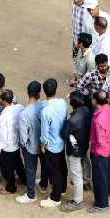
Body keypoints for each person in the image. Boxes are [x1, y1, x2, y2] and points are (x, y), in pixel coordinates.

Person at [61, 91, 92, 212]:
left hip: (74, 150)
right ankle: (87, 181)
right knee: (85, 163)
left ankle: (78, 201)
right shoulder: (86, 111)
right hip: (84, 145)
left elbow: (64, 134)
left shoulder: (73, 120)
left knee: (76, 175)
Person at [39, 78, 68, 208]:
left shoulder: (45, 111)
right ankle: (62, 189)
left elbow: (44, 133)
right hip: (62, 140)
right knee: (62, 166)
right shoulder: (62, 103)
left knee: (54, 171)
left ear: (44, 92)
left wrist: (43, 145)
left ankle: (55, 197)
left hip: (51, 145)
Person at [0, 89, 26, 195]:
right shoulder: (19, 108)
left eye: (0, 98)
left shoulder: (3, 116)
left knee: (7, 169)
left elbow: (3, 135)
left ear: (4, 101)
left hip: (7, 146)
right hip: (17, 143)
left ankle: (11, 187)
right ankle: (24, 179)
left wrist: (0, 148)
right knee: (18, 163)